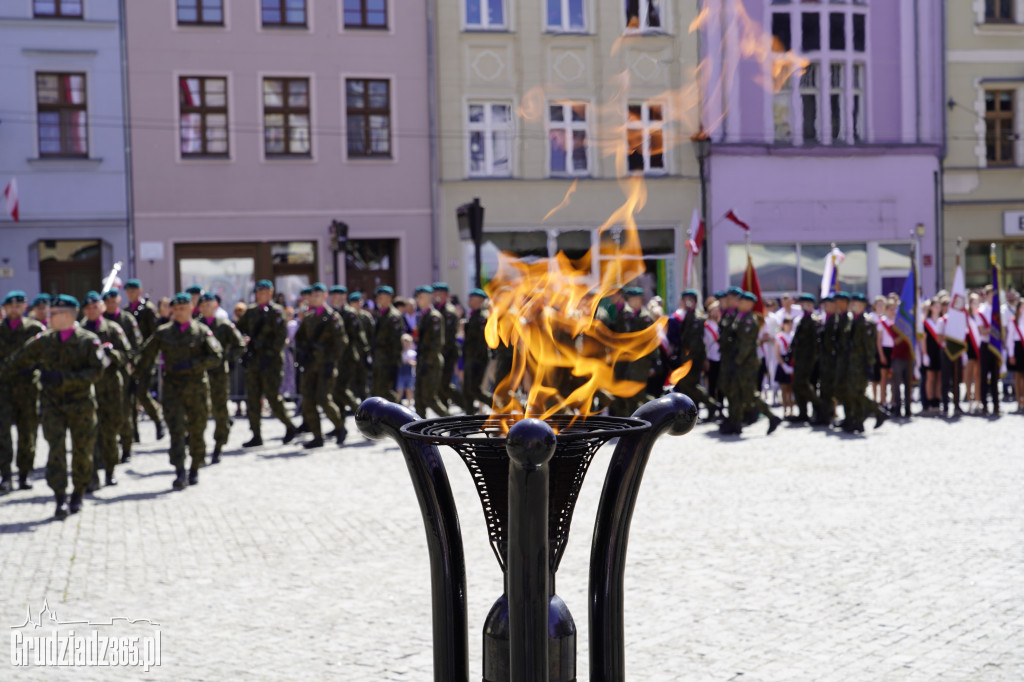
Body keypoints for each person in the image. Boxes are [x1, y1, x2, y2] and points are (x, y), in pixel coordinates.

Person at [3, 294, 103, 518]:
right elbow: (17, 360)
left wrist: (63, 378)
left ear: (67, 315)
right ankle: (60, 498)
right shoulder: (44, 340)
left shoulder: (89, 341)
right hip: (53, 406)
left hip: (81, 406)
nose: (49, 317)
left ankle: (78, 493)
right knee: (55, 452)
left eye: (54, 314)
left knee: (82, 451)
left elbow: (97, 371)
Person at [135, 293, 223, 490]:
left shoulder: (201, 331)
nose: (179, 312)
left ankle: (194, 467)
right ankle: (179, 471)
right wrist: (135, 375)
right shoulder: (163, 333)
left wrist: (192, 365)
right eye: (176, 309)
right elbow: (146, 355)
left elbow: (216, 357)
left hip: (197, 389)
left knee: (197, 430)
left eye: (183, 308)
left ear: (191, 309)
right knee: (176, 431)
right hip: (173, 390)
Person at [236, 280, 298, 447]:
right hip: (254, 360)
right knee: (253, 398)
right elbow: (238, 329)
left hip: (271, 362)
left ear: (270, 293)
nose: (260, 294)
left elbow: (280, 337)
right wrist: (244, 342)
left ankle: (290, 426)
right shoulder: (250, 312)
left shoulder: (277, 312)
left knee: (273, 397)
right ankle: (256, 434)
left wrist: (269, 354)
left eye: (264, 292)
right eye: (258, 292)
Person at [80, 291, 131, 489]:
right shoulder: (81, 331)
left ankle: (110, 471)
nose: (92, 311)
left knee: (110, 433)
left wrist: (113, 354)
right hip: (88, 389)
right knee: (90, 433)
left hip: (110, 389)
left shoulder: (113, 329)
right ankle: (92, 475)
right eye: (88, 308)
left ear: (101, 308)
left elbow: (127, 355)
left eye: (95, 307)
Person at [0, 290, 46, 493]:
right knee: (3, 434)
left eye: (18, 306)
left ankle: (25, 473)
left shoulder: (35, 329)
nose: (14, 309)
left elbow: (46, 357)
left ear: (25, 307)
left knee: (28, 433)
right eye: (10, 306)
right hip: (3, 389)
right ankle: (6, 475)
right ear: (5, 308)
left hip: (28, 388)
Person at [294, 283, 348, 448]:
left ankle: (340, 427)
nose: (314, 298)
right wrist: (303, 353)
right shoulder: (309, 318)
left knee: (324, 399)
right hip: (310, 366)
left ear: (324, 296)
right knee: (308, 401)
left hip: (326, 366)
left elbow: (342, 342)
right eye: (312, 295)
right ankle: (318, 436)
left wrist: (331, 360)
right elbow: (299, 338)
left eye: (318, 295)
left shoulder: (332, 317)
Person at [198, 293, 246, 462]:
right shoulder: (196, 326)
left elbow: (239, 345)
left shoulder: (224, 325)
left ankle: (219, 445)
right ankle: (199, 448)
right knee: (200, 412)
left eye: (208, 305)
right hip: (200, 374)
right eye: (202, 306)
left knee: (220, 411)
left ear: (215, 306)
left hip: (219, 374)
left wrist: (226, 359)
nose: (205, 308)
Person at [102, 288, 142, 462]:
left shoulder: (127, 319)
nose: (110, 305)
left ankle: (127, 446)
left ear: (118, 301)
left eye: (113, 301)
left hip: (124, 372)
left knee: (125, 412)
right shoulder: (99, 321)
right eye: (107, 302)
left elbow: (136, 345)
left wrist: (134, 366)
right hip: (102, 375)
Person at [668, 289, 719, 417]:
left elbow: (696, 343)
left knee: (688, 384)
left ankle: (711, 404)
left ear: (694, 301)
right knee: (687, 385)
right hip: (689, 358)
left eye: (688, 300)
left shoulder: (696, 318)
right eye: (684, 300)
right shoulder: (689, 316)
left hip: (693, 359)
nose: (685, 303)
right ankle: (708, 406)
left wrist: (692, 360)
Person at [844, 294, 888, 432]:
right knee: (852, 393)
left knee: (857, 393)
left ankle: (878, 412)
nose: (853, 305)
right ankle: (858, 421)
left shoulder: (867, 322)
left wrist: (870, 365)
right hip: (852, 363)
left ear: (863, 305)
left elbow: (870, 347)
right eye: (852, 302)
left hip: (861, 364)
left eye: (855, 303)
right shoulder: (853, 320)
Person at [612, 287, 657, 418]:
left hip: (642, 361)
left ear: (639, 300)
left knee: (638, 394)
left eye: (631, 299)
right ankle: (633, 419)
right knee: (629, 392)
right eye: (629, 299)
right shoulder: (629, 316)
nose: (629, 302)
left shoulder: (646, 318)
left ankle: (659, 407)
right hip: (630, 360)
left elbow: (652, 341)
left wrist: (655, 362)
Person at [330, 286, 367, 417]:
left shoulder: (350, 313)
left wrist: (363, 356)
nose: (334, 299)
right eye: (332, 296)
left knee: (342, 389)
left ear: (344, 297)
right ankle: (340, 425)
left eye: (337, 296)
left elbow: (358, 337)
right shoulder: (333, 313)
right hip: (336, 358)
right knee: (336, 391)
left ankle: (363, 414)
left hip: (348, 357)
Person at [414, 285, 448, 418]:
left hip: (431, 362)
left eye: (421, 297)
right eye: (417, 297)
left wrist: (427, 363)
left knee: (429, 398)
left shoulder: (434, 316)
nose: (418, 300)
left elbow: (437, 343)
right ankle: (418, 431)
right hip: (422, 360)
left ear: (429, 298)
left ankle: (455, 425)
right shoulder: (423, 315)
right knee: (418, 399)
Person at [433, 283, 464, 411]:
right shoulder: (437, 309)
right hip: (440, 353)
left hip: (448, 353)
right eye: (435, 293)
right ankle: (444, 412)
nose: (436, 296)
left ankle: (466, 405)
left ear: (445, 295)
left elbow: (449, 337)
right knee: (440, 386)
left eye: (439, 293)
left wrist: (441, 352)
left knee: (445, 385)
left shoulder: (449, 312)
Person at [790, 293, 820, 424]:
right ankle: (803, 412)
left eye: (805, 303)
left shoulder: (814, 320)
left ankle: (820, 408)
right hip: (800, 358)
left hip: (808, 359)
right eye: (801, 303)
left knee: (805, 384)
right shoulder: (802, 319)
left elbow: (815, 343)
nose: (802, 306)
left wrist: (813, 360)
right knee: (797, 385)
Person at [371, 286, 405, 403]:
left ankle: (402, 412)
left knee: (386, 391)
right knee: (377, 391)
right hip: (379, 360)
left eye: (381, 297)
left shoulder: (393, 316)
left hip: (388, 361)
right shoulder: (381, 314)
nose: (378, 300)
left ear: (389, 298)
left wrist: (395, 363)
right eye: (377, 297)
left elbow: (396, 342)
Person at [462, 288, 492, 413]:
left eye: (472, 298)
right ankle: (469, 417)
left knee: (473, 389)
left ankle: (498, 405)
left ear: (479, 300)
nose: (469, 300)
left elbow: (482, 341)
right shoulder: (474, 315)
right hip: (470, 357)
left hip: (477, 358)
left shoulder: (482, 317)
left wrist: (476, 360)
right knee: (467, 389)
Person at [977, 286, 1000, 415]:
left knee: (995, 377)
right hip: (986, 345)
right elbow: (982, 331)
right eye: (991, 295)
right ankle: (984, 404)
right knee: (984, 376)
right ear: (986, 295)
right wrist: (993, 330)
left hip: (995, 346)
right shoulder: (982, 310)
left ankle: (996, 404)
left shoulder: (998, 310)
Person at [350, 292, 374, 401]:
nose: (358, 304)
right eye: (355, 302)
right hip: (351, 354)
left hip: (363, 353)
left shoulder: (366, 317)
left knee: (363, 379)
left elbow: (372, 335)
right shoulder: (348, 316)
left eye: (359, 302)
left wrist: (370, 351)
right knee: (352, 380)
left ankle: (365, 401)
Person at [922, 299, 944, 415]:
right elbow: (923, 340)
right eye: (935, 306)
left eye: (939, 306)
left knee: (939, 378)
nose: (937, 308)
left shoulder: (942, 321)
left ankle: (937, 401)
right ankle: (930, 402)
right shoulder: (926, 322)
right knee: (930, 378)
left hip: (940, 352)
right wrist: (925, 354)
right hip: (930, 352)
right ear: (930, 308)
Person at [703, 300, 722, 413]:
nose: (716, 313)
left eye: (718, 311)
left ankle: (720, 408)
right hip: (711, 357)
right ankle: (711, 409)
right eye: (714, 311)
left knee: (720, 385)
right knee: (711, 384)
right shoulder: (707, 326)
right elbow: (705, 343)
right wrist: (705, 359)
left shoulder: (721, 324)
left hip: (721, 357)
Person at [774, 316, 795, 418]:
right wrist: (784, 366)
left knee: (790, 389)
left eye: (791, 323)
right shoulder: (779, 337)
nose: (789, 326)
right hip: (783, 363)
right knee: (784, 388)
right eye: (787, 323)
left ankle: (791, 409)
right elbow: (777, 354)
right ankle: (785, 409)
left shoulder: (793, 335)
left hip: (791, 362)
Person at [1007, 299, 1024, 413]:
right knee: (1017, 377)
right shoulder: (1013, 321)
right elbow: (1009, 340)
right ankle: (1019, 401)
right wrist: (1011, 355)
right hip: (1018, 349)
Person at [398, 334, 416, 406]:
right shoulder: (400, 353)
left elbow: (416, 363)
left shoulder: (412, 353)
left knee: (409, 390)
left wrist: (409, 362)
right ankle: (397, 404)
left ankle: (409, 405)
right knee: (400, 390)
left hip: (410, 373)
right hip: (401, 373)